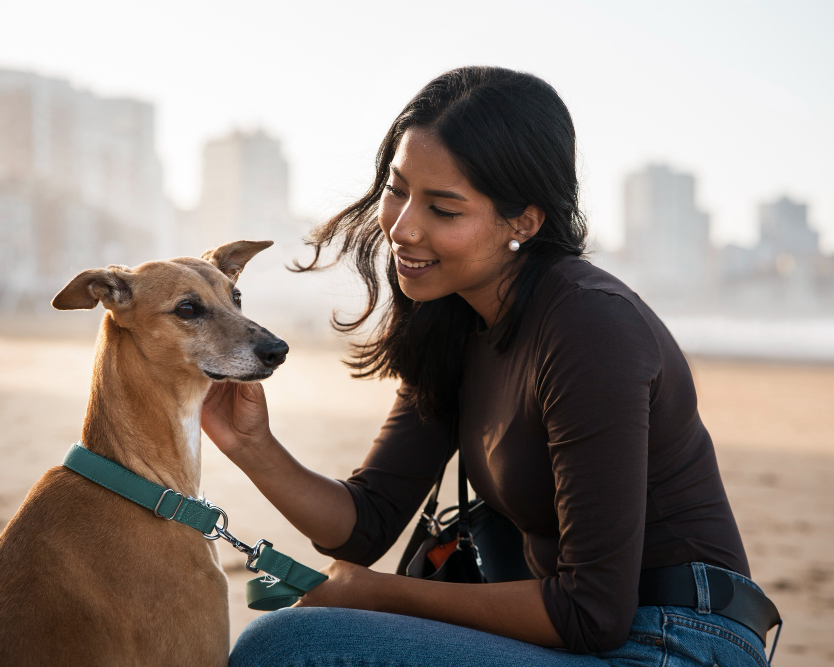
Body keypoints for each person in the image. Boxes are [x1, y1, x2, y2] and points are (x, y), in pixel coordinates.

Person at [201, 66, 776, 666]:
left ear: (523, 222)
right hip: (579, 636)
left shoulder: (589, 327)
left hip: (678, 643)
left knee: (287, 648)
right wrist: (250, 443)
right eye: (397, 190)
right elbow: (364, 525)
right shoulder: (453, 318)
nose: (402, 228)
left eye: (444, 210)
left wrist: (372, 594)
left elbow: (593, 612)